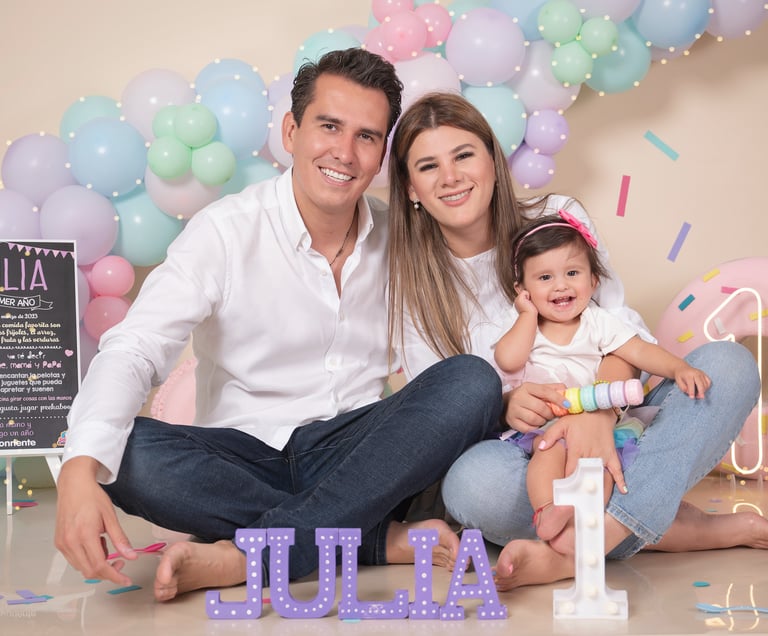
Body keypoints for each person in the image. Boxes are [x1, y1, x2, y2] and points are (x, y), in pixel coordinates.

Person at [54, 50, 503, 602]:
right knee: (125, 451)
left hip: (359, 454)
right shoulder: (224, 231)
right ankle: (367, 540)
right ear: (291, 131)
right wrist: (77, 467)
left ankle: (250, 555)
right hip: (244, 458)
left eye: (366, 136)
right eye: (329, 126)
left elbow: (453, 339)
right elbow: (136, 346)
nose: (344, 152)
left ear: (384, 154)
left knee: (471, 381)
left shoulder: (402, 237)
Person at [387, 91, 764, 590]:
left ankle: (575, 554)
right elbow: (438, 409)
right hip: (525, 449)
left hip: (619, 419)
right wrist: (505, 406)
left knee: (728, 367)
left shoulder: (557, 218)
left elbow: (618, 330)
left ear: (493, 162)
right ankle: (672, 523)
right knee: (470, 487)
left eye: (463, 155)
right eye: (428, 166)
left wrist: (596, 414)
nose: (451, 177)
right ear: (411, 187)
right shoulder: (412, 282)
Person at [495, 211, 711, 542]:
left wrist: (679, 368)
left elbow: (638, 351)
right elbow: (507, 360)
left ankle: (593, 525)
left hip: (595, 421)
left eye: (572, 273)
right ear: (522, 290)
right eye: (544, 279)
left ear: (593, 280)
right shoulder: (527, 327)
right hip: (550, 424)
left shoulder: (596, 322)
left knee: (601, 466)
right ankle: (548, 510)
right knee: (548, 455)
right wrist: (525, 315)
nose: (561, 285)